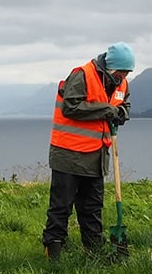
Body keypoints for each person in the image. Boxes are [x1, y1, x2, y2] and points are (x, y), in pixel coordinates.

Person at [43, 42, 134, 262]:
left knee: (92, 205)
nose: (124, 76)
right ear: (111, 67)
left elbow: (124, 106)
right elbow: (71, 108)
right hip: (68, 153)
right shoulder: (82, 75)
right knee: (61, 205)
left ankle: (93, 248)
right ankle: (53, 250)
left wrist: (121, 113)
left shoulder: (122, 84)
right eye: (122, 71)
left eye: (128, 72)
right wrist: (108, 110)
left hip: (96, 155)